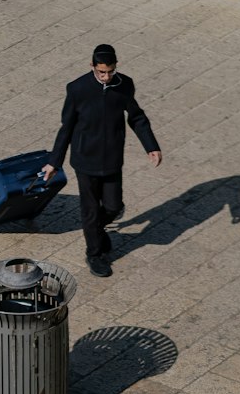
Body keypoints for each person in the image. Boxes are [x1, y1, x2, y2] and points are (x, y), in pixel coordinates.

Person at [41, 43, 161, 279]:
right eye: (101, 72)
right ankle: (94, 254)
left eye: (110, 72)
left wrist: (151, 146)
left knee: (114, 206)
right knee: (90, 210)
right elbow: (66, 128)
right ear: (92, 67)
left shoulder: (125, 85)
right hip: (85, 160)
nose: (106, 77)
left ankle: (95, 231)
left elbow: (137, 117)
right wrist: (54, 162)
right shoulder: (77, 89)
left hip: (113, 158)